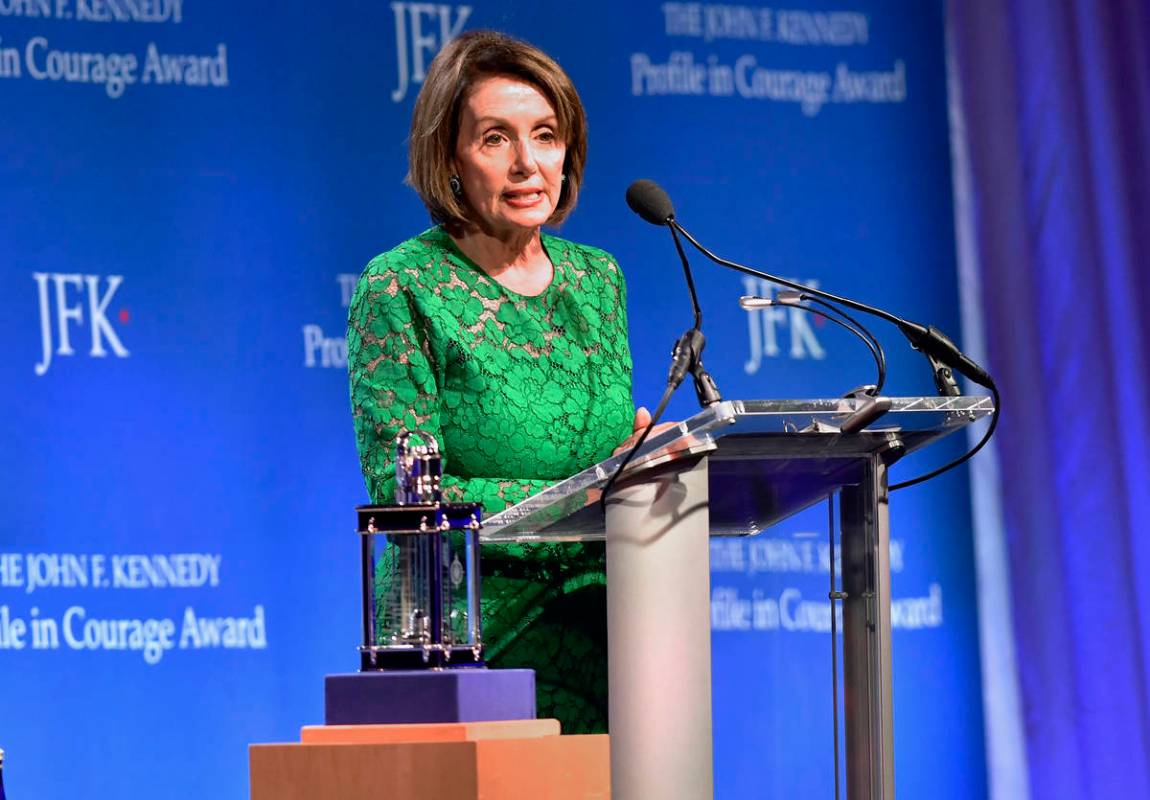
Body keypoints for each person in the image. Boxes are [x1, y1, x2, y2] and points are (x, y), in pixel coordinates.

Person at [347, 30, 649, 733]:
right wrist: (585, 494)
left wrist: (644, 461)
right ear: (450, 158)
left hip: (611, 631)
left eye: (545, 135)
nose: (526, 163)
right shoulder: (401, 286)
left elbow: (607, 459)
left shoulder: (598, 281)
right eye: (494, 139)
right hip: (469, 643)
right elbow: (404, 493)